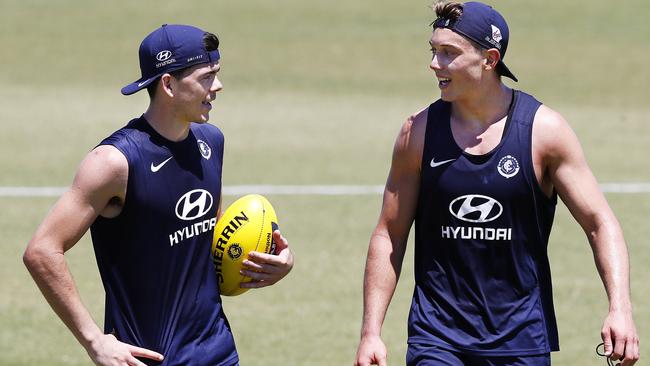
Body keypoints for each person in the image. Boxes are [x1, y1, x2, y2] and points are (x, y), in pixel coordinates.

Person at [353, 2, 639, 365]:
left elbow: (601, 223)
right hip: (437, 338)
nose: (434, 63)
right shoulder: (418, 133)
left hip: (520, 338)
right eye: (433, 51)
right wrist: (370, 333)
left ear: (489, 59)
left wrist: (621, 309)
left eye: (448, 53)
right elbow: (389, 233)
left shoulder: (543, 133)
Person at [23, 24, 294, 366]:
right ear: (167, 84)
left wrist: (272, 261)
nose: (218, 86)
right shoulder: (114, 162)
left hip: (218, 352)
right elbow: (41, 250)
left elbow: (210, 241)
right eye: (207, 77)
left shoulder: (211, 143)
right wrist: (94, 340)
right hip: (149, 359)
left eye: (218, 74)